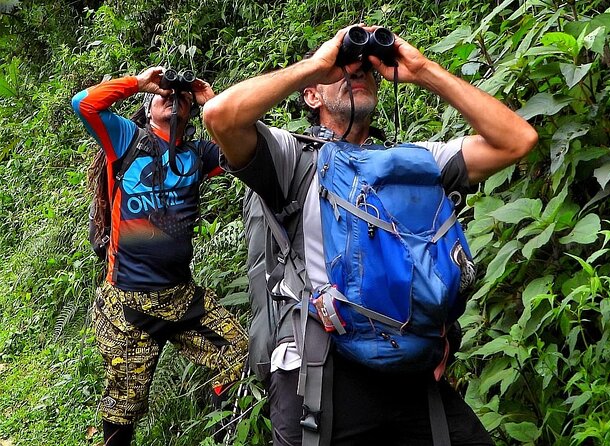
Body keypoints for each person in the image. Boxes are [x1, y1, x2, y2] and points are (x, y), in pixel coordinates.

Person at [203, 25, 538, 446]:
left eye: (365, 71)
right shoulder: (294, 160)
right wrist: (316, 65)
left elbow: (517, 140)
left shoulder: (412, 163)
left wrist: (422, 69)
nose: (354, 73)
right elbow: (220, 115)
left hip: (406, 368)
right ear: (311, 95)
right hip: (319, 374)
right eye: (343, 70)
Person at [72, 66, 248, 446]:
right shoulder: (126, 140)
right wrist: (138, 83)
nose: (174, 96)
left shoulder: (198, 154)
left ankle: (224, 432)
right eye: (165, 93)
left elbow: (243, 147)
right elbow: (83, 104)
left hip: (182, 298)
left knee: (240, 352)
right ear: (148, 107)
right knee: (124, 407)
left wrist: (212, 104)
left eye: (181, 97)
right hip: (128, 305)